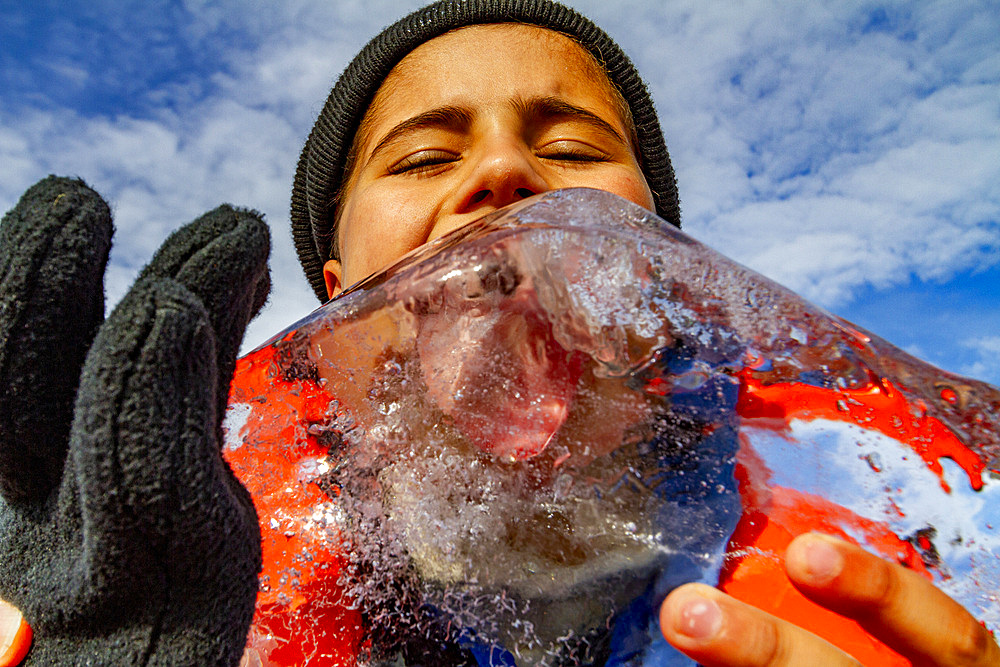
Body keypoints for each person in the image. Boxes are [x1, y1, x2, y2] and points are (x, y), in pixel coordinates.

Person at [0, 1, 996, 666]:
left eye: (570, 146)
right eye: (424, 156)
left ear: (664, 276)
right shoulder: (164, 577)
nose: (504, 174)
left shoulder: (899, 547)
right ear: (335, 309)